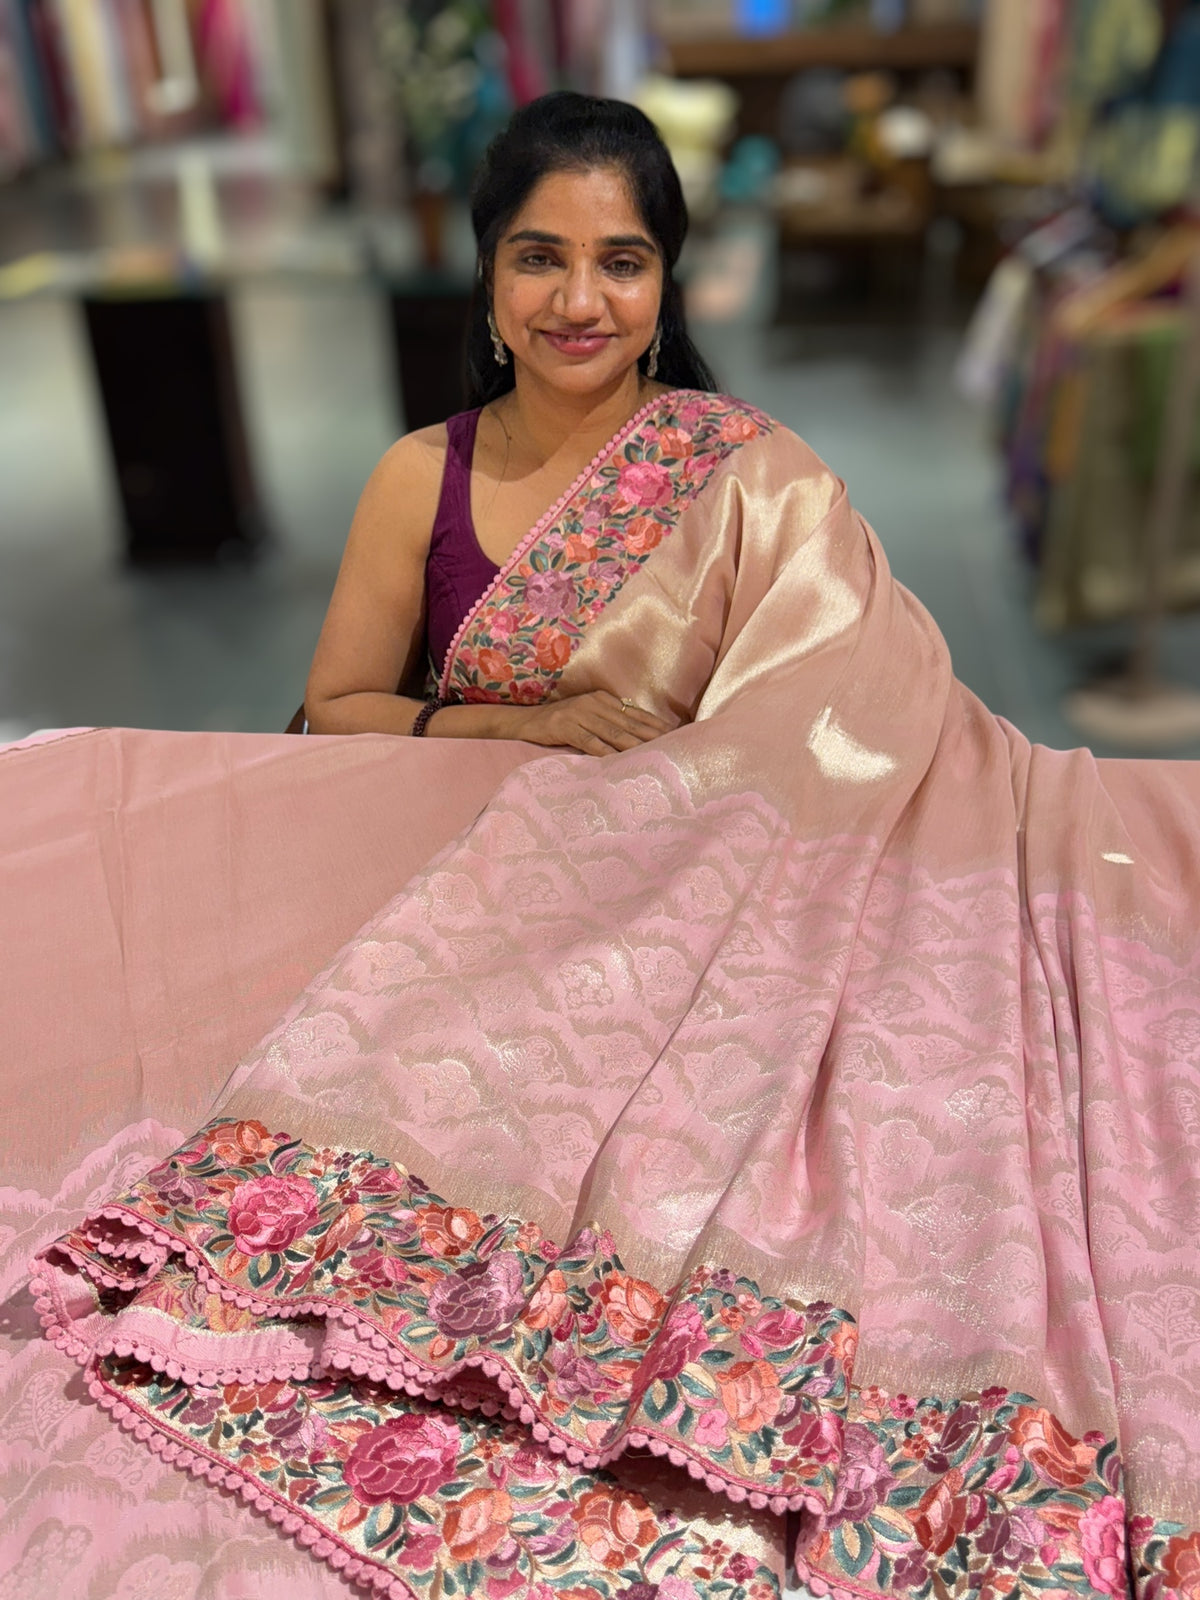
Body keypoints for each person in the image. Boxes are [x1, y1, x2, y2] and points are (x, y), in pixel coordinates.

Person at [7, 91, 1200, 1600]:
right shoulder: (422, 474)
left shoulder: (749, 475)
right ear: (488, 275)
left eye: (621, 261)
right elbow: (340, 705)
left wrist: (685, 797)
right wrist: (513, 730)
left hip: (716, 881)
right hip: (494, 878)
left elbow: (859, 706)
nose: (580, 300)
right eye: (540, 257)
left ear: (665, 281)